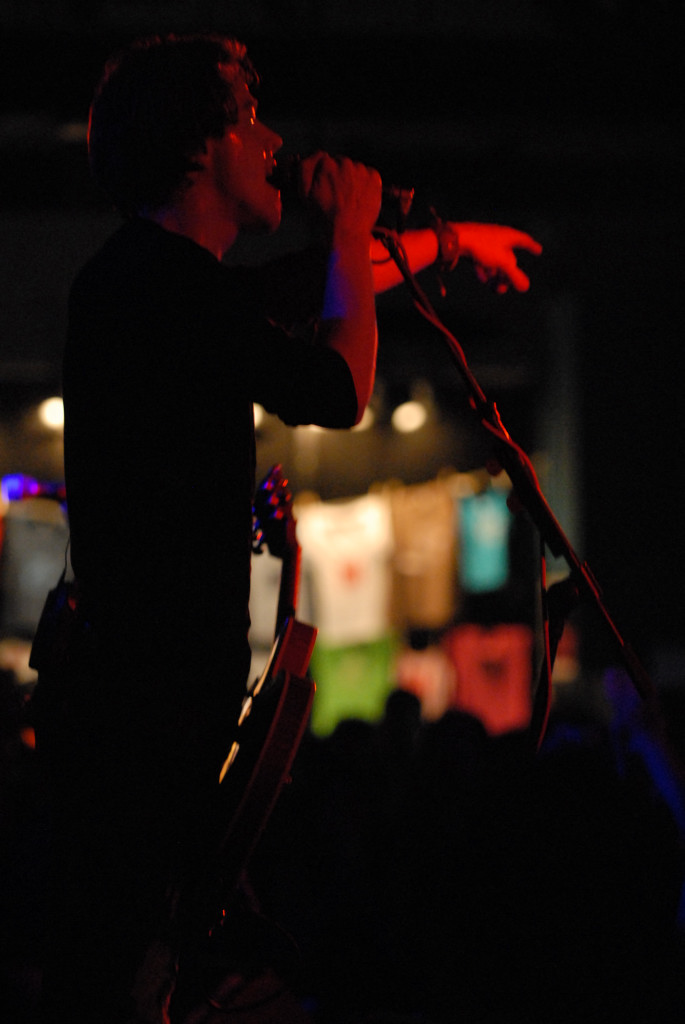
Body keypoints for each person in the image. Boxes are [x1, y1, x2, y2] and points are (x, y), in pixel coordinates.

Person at [31, 32, 541, 1024]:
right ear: (200, 146)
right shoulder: (149, 285)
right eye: (249, 118)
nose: (273, 142)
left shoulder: (158, 284)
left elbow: (311, 289)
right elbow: (339, 386)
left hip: (148, 740)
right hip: (141, 751)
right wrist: (350, 228)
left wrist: (447, 244)